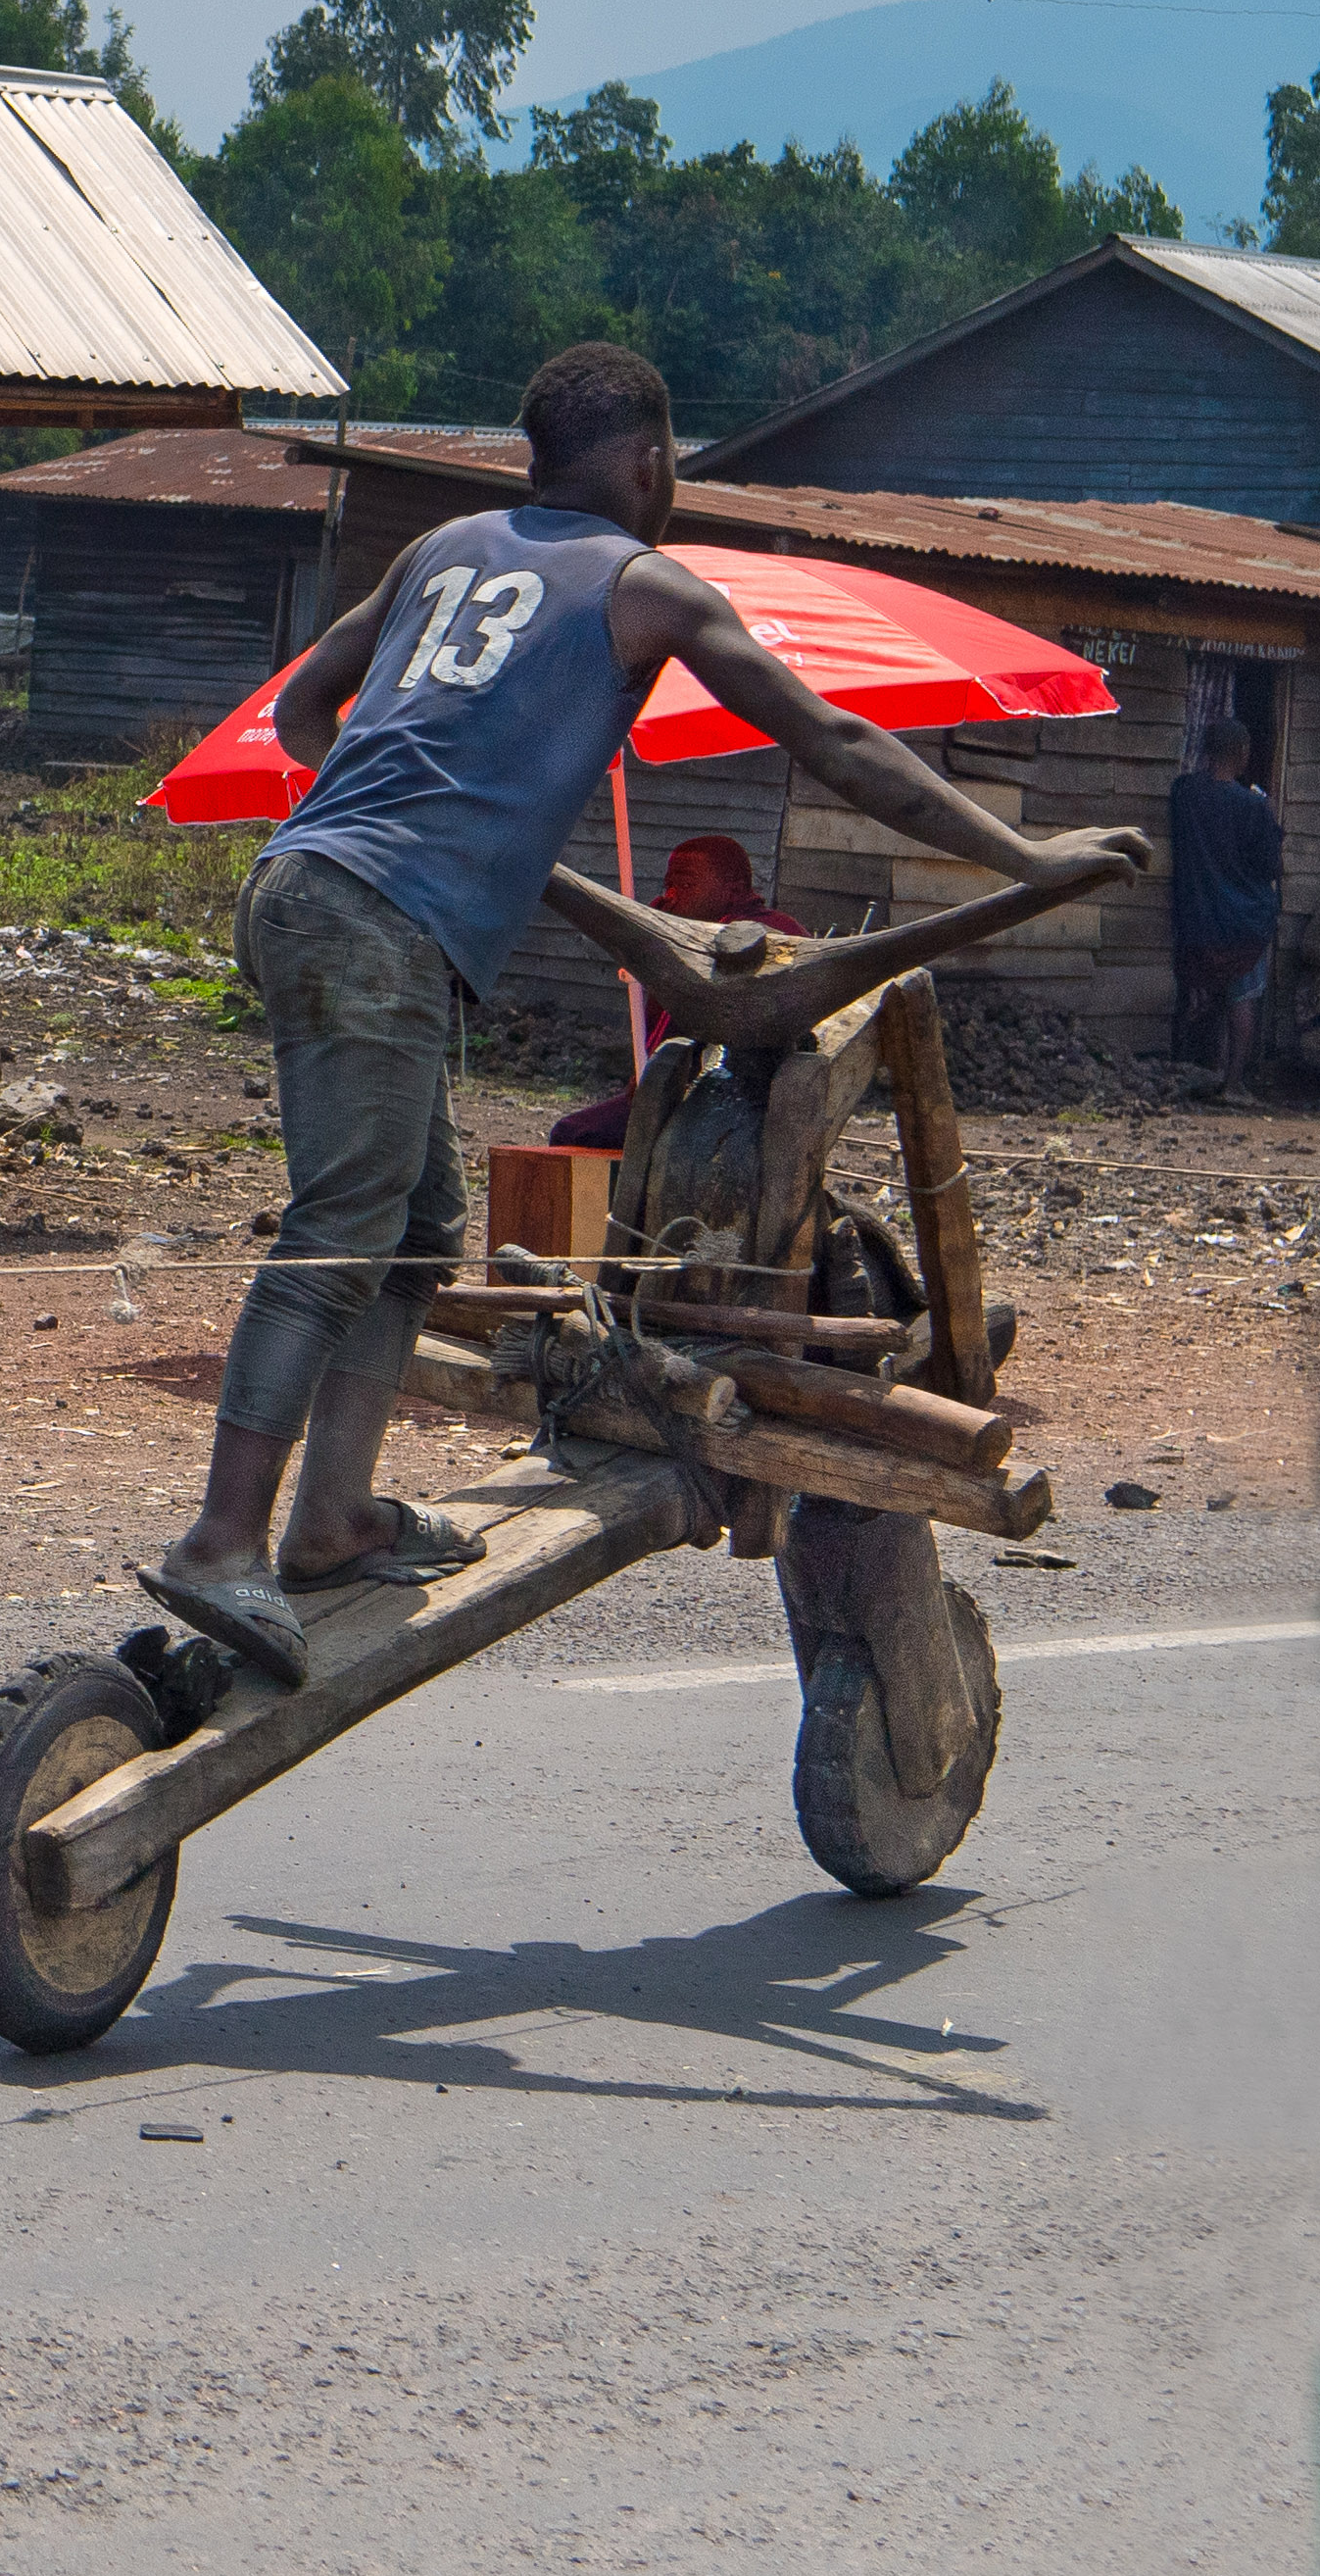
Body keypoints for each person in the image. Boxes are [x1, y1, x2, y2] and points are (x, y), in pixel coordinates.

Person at [145, 343, 1150, 1686]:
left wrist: (411, 819)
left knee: (420, 1227)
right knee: (342, 1227)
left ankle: (332, 1517)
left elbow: (312, 705)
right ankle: (225, 1537)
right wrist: (1027, 861)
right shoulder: (648, 586)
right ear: (654, 462)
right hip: (372, 927)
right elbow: (838, 745)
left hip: (303, 889)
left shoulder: (444, 545)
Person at [544, 836, 803, 1149]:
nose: (671, 895)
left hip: (716, 1105)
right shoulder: (693, 927)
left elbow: (673, 1039)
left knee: (570, 1135)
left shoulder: (741, 939)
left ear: (733, 889)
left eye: (686, 884)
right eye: (668, 885)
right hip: (710, 1100)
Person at [1166, 721, 1284, 1096]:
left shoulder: (1183, 793)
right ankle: (1232, 1084)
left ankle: (1209, 1070)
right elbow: (1271, 866)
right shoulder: (1253, 806)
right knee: (1242, 998)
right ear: (1244, 754)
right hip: (1242, 919)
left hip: (1197, 918)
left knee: (1206, 994)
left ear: (1205, 750)